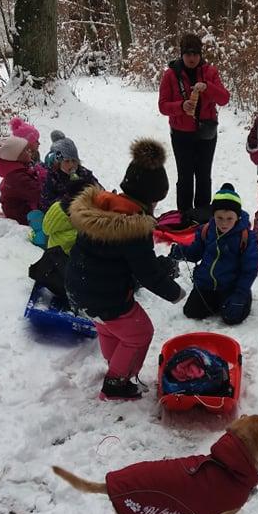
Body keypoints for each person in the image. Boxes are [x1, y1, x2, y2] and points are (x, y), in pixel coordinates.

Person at [66, 139, 185, 402]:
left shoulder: (100, 207)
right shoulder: (133, 228)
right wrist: (174, 292)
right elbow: (146, 272)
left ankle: (115, 362)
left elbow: (117, 260)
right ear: (151, 199)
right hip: (106, 295)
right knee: (140, 332)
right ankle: (116, 383)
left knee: (108, 326)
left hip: (78, 288)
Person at [158, 33, 230, 225]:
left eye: (195, 54)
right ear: (181, 54)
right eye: (188, 53)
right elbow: (163, 106)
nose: (192, 58)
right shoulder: (170, 74)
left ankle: (203, 216)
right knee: (185, 176)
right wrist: (180, 107)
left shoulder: (210, 72)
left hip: (206, 132)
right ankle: (184, 215)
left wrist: (208, 87)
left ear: (200, 54)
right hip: (181, 133)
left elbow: (224, 98)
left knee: (204, 175)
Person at [170, 183, 258, 325]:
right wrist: (181, 251)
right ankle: (218, 303)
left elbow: (249, 270)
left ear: (237, 217)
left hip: (231, 287)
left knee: (231, 318)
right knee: (191, 312)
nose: (224, 223)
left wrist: (240, 294)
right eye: (219, 218)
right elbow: (195, 253)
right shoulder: (206, 230)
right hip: (207, 284)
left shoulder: (246, 237)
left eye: (229, 218)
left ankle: (239, 301)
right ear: (213, 215)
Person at [40, 135, 99, 213]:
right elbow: (46, 204)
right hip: (63, 216)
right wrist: (69, 196)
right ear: (59, 162)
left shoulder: (84, 173)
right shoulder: (53, 177)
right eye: (67, 161)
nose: (71, 165)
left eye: (74, 161)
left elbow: (99, 190)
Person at [0, 135, 41, 224]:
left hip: (20, 209)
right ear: (16, 157)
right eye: (26, 150)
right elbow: (38, 193)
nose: (30, 152)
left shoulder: (20, 170)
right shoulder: (18, 177)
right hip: (21, 215)